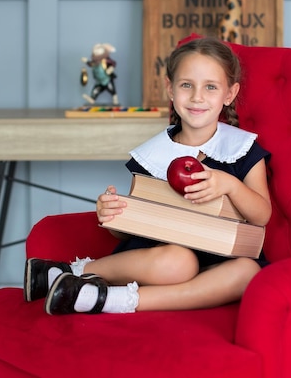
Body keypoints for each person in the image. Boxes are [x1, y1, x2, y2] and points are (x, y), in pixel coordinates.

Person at [24, 36, 272, 315]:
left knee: (249, 271)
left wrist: (230, 185)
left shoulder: (241, 149)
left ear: (229, 93)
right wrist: (112, 214)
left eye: (210, 87)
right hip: (164, 259)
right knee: (180, 262)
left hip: (221, 262)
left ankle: (107, 299)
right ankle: (71, 271)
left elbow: (261, 215)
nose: (197, 97)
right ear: (170, 88)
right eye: (186, 85)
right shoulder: (153, 154)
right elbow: (134, 225)